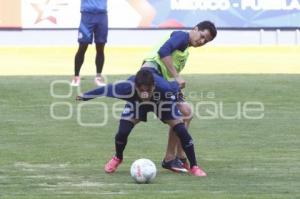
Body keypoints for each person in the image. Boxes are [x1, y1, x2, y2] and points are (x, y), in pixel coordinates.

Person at [76, 68, 207, 177]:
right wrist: (85, 96)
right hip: (136, 105)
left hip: (161, 105)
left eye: (148, 91)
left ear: (154, 86)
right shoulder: (126, 87)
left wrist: (177, 99)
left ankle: (194, 166)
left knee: (181, 130)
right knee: (122, 132)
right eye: (141, 91)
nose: (145, 94)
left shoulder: (165, 89)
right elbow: (104, 89)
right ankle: (118, 158)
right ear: (135, 87)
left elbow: (176, 88)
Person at [141, 21, 217, 172]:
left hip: (158, 80)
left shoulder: (185, 49)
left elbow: (167, 68)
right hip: (150, 77)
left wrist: (176, 89)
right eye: (202, 36)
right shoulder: (182, 37)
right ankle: (175, 158)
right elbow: (163, 52)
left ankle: (177, 157)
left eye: (205, 41)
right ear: (195, 29)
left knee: (186, 112)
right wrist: (177, 77)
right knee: (182, 114)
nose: (201, 41)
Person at [71, 0, 108, 87]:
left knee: (100, 47)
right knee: (83, 46)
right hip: (87, 15)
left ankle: (98, 77)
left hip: (102, 16)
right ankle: (76, 76)